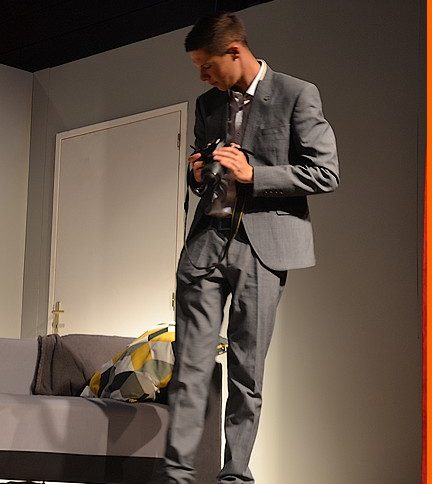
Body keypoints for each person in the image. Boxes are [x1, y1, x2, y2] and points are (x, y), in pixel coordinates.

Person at [162, 13, 339, 483]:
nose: (203, 77)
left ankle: (234, 476)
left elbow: (325, 172)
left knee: (246, 372)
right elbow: (203, 170)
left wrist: (253, 175)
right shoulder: (208, 104)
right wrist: (197, 174)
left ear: (234, 51)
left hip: (262, 249)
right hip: (206, 245)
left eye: (207, 66)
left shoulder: (296, 94)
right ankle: (176, 476)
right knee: (189, 367)